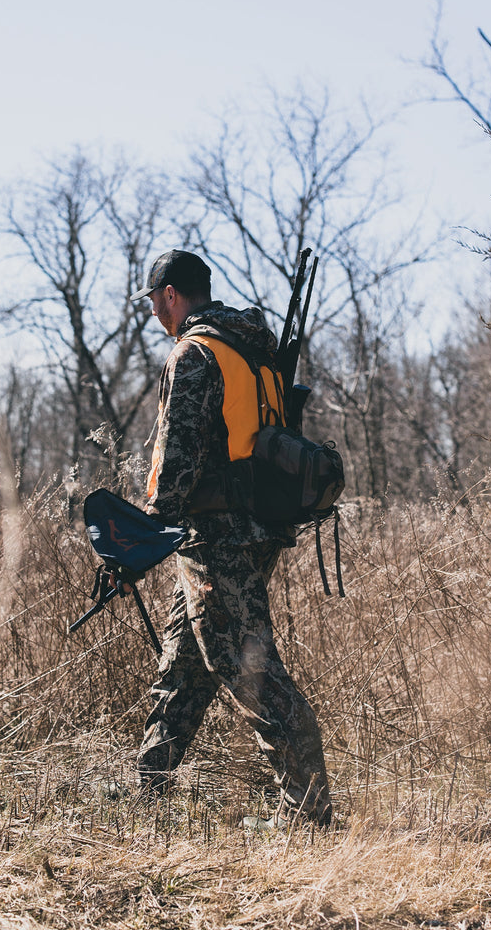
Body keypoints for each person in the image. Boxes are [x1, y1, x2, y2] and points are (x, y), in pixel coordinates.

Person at [130, 248, 331, 824]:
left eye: (152, 301)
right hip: (254, 526)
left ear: (170, 295)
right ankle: (149, 787)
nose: (152, 313)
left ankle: (310, 814)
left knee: (252, 673)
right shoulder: (251, 347)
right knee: (185, 663)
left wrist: (146, 529)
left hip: (213, 535)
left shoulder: (194, 353)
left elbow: (178, 457)